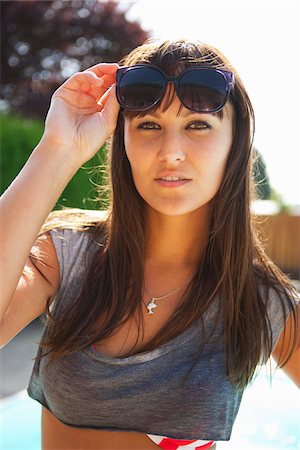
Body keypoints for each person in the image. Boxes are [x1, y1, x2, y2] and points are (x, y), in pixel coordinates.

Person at [0, 38, 299, 450]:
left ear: (235, 143)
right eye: (148, 125)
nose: (171, 153)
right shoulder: (66, 256)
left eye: (197, 125)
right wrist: (58, 149)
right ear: (122, 139)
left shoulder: (261, 301)